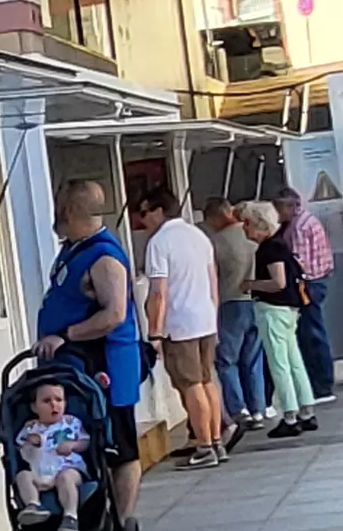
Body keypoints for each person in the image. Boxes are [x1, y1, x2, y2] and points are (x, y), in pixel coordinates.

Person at [32, 179, 146, 525]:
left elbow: (114, 314)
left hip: (105, 365)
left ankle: (121, 522)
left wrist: (65, 335)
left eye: (59, 207)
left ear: (69, 210)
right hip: (74, 369)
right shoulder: (75, 248)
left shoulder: (104, 256)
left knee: (118, 446)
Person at [133, 185, 225, 469]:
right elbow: (213, 282)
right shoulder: (198, 236)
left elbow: (158, 291)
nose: (142, 219)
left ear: (159, 210)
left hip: (179, 324)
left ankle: (204, 445)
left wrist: (154, 332)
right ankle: (216, 439)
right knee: (207, 381)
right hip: (205, 319)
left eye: (145, 213)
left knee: (190, 385)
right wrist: (214, 313)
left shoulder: (159, 243)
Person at [239, 201, 321, 436]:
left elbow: (278, 282)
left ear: (259, 224)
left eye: (247, 223)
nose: (244, 229)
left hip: (273, 309)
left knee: (279, 364)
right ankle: (307, 409)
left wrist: (251, 285)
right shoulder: (282, 245)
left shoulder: (268, 249)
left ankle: (290, 415)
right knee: (294, 360)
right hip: (290, 309)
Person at [202, 196, 268, 438]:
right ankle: (258, 408)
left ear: (216, 217)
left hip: (231, 304)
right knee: (253, 358)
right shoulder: (254, 233)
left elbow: (212, 277)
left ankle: (239, 410)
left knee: (227, 360)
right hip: (258, 301)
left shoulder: (215, 243)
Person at [276, 182, 339, 397]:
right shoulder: (309, 220)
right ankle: (321, 382)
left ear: (289, 207)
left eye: (279, 209)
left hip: (309, 284)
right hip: (319, 279)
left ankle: (321, 384)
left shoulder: (297, 227)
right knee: (314, 331)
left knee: (311, 334)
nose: (277, 214)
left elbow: (298, 262)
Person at [11, 379, 92, 524]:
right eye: (46, 401)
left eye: (59, 400)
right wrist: (29, 440)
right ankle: (33, 505)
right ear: (34, 408)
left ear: (65, 404)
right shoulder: (31, 427)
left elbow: (86, 442)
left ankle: (70, 515)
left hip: (69, 468)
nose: (54, 404)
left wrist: (73, 445)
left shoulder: (71, 422)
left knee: (65, 478)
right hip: (40, 472)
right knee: (23, 476)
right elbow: (18, 445)